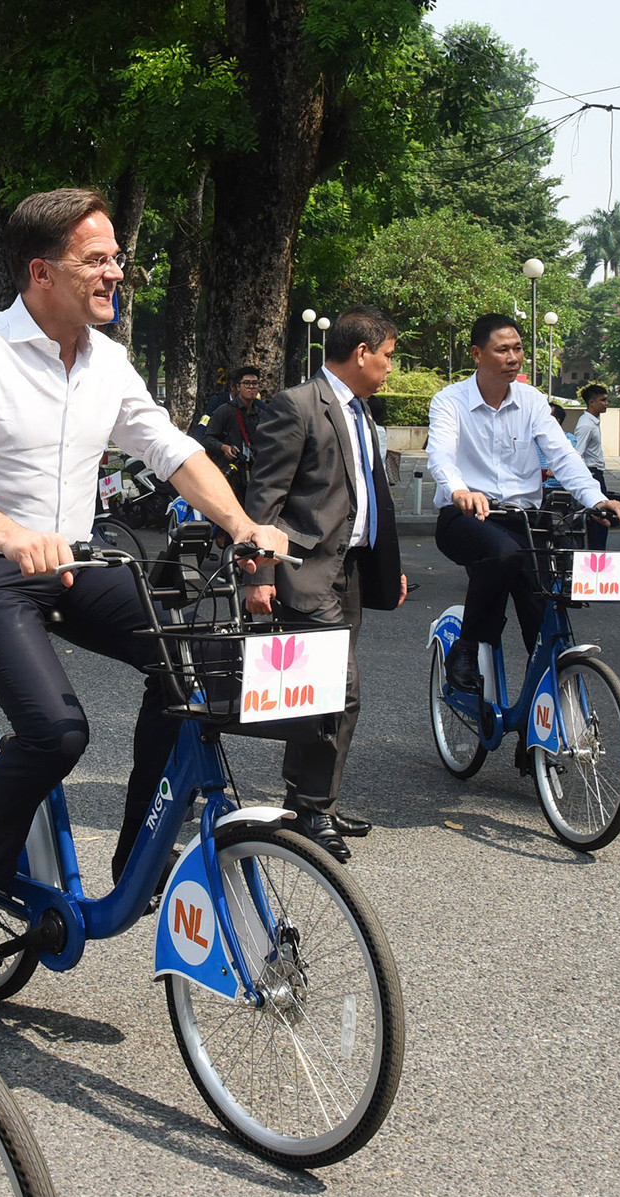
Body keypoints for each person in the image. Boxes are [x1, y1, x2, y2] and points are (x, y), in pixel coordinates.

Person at [0, 186, 286, 978]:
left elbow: (171, 449)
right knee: (56, 729)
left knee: (189, 659)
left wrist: (241, 524)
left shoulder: (108, 360)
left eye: (118, 258)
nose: (117, 273)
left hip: (73, 563)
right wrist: (11, 535)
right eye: (97, 259)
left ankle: (139, 849)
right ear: (41, 273)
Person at [242, 308, 407, 864]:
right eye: (387, 354)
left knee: (320, 689)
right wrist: (259, 574)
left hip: (351, 568)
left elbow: (368, 494)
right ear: (361, 352)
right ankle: (313, 809)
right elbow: (264, 497)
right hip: (304, 569)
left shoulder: (363, 410)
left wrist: (389, 565)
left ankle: (310, 799)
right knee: (339, 686)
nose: (391, 366)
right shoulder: (297, 405)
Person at [429, 314, 620, 695]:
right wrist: (459, 490)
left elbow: (563, 456)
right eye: (502, 349)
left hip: (524, 521)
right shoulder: (449, 401)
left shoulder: (532, 400)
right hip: (465, 517)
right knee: (504, 555)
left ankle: (538, 730)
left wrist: (596, 499)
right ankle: (466, 648)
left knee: (542, 615)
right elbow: (440, 455)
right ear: (477, 353)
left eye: (518, 348)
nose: (513, 357)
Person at [192, 364, 262, 501]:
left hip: (255, 473)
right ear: (237, 387)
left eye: (255, 383)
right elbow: (206, 439)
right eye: (246, 383)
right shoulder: (224, 411)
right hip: (231, 473)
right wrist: (225, 448)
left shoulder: (262, 412)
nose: (251, 387)